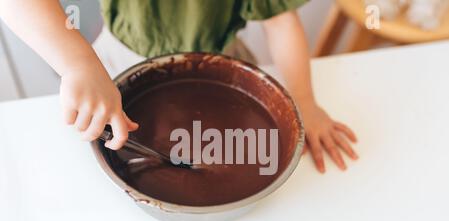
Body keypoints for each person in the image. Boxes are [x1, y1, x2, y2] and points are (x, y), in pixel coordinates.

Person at [0, 0, 358, 173]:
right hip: (110, 68)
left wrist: (305, 102)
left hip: (223, 65)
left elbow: (281, 23)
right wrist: (79, 65)